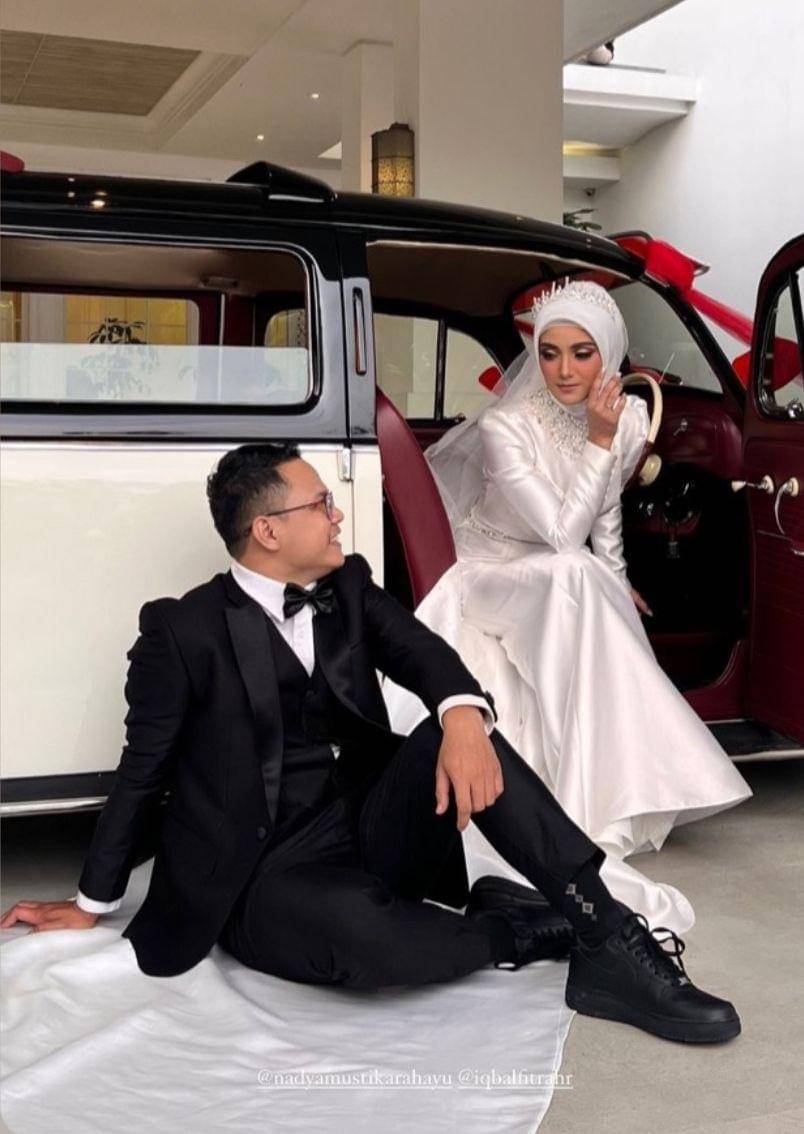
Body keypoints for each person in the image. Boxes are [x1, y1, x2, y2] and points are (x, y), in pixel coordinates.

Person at [0, 443, 741, 1044]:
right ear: (267, 531)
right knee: (370, 947)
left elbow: (424, 654)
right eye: (320, 504)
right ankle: (516, 930)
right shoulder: (180, 631)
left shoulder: (348, 586)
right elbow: (142, 772)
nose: (337, 516)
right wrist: (93, 900)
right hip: (264, 872)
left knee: (463, 734)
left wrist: (462, 717)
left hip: (368, 822)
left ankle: (607, 933)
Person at [383, 279, 752, 935]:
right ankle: (571, 802)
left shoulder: (627, 417)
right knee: (574, 574)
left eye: (582, 353)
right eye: (549, 353)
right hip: (489, 572)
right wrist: (600, 443)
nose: (564, 371)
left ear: (607, 353)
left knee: (587, 579)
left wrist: (619, 584)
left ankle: (608, 792)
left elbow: (602, 520)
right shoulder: (506, 426)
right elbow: (560, 533)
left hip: (558, 576)